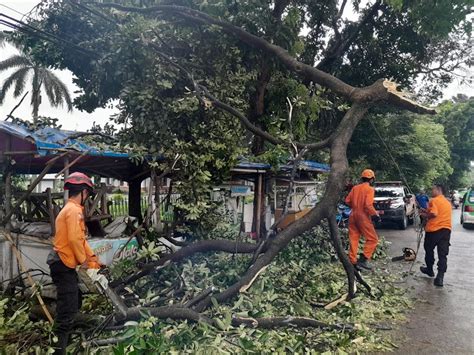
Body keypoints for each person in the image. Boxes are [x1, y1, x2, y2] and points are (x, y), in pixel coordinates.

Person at [47, 172, 101, 354]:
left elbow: (81, 240)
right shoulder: (74, 211)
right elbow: (74, 240)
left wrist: (94, 260)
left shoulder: (71, 209)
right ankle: (57, 350)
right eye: (88, 195)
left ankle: (65, 341)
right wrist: (84, 261)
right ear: (84, 192)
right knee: (67, 311)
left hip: (63, 264)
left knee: (75, 300)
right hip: (62, 264)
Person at [345, 169, 381, 270]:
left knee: (353, 238)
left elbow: (347, 201)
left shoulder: (355, 188)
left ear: (362, 178)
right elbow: (368, 205)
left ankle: (352, 261)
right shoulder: (370, 189)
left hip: (353, 215)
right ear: (372, 179)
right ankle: (364, 259)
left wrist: (356, 205)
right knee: (373, 239)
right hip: (363, 217)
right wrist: (375, 215)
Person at [420, 184, 452, 287]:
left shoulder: (434, 200)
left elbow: (434, 213)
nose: (431, 190)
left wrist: (425, 215)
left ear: (438, 190)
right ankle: (440, 277)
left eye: (433, 189)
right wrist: (426, 211)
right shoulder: (447, 202)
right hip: (446, 231)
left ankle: (430, 270)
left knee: (429, 250)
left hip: (434, 230)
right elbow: (438, 212)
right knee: (443, 254)